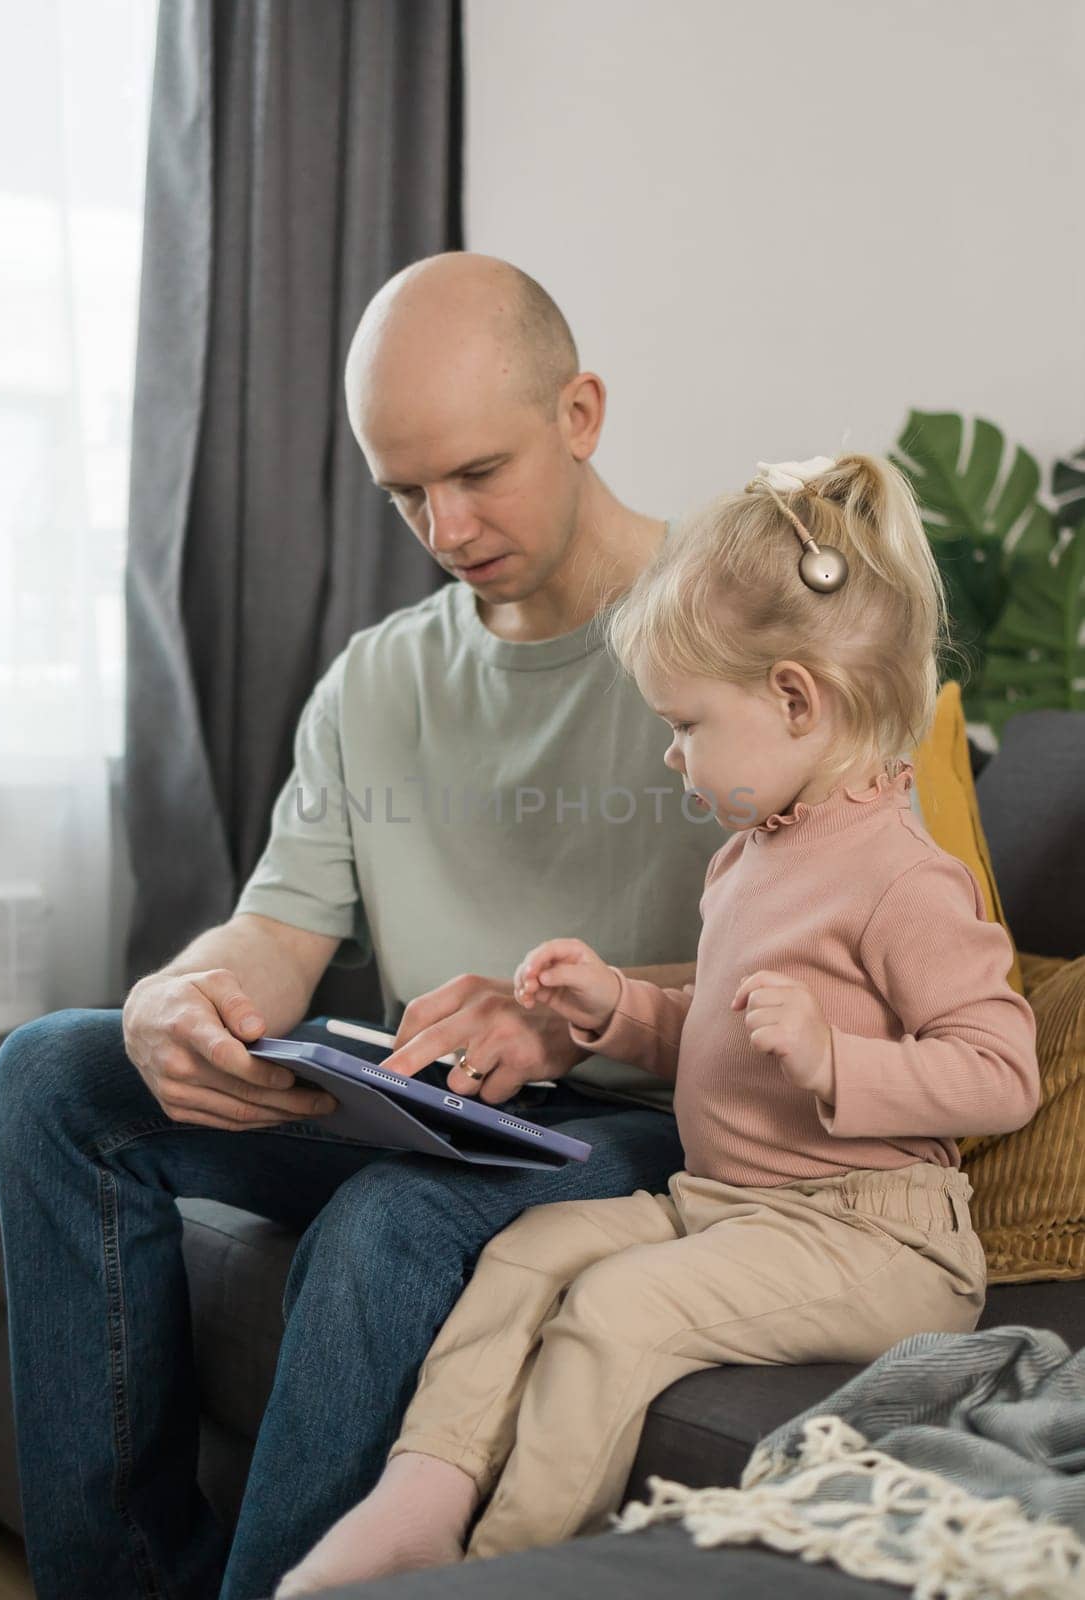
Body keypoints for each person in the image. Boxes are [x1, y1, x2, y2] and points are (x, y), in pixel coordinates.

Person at [0, 252, 732, 1600]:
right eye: (405, 493)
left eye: (475, 473)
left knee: (391, 1221)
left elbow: (827, 959)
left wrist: (572, 1002)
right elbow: (277, 930)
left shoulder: (733, 626)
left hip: (650, 1115)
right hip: (427, 1094)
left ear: (580, 414)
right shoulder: (380, 678)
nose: (444, 530)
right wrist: (184, 995)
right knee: (53, 1071)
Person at [274, 452, 1041, 1596]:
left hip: (880, 1239)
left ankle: (501, 1566)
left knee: (618, 1306)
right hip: (731, 1205)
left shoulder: (904, 877)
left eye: (686, 724)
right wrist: (616, 1010)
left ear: (795, 698)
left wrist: (839, 1061)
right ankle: (420, 1499)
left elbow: (1001, 1073)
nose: (671, 754)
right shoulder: (751, 857)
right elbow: (721, 1046)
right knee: (530, 1248)